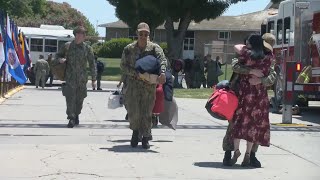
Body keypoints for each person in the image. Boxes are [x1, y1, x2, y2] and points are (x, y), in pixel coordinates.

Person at [222, 33, 277, 168]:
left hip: (249, 93)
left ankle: (251, 155)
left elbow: (273, 76)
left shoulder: (264, 56)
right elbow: (236, 66)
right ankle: (228, 153)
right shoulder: (250, 54)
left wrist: (260, 79)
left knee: (254, 125)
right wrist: (251, 71)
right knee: (235, 124)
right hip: (240, 92)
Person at [120, 22, 167, 149]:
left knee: (147, 112)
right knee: (134, 112)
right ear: (137, 34)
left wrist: (162, 72)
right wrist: (135, 73)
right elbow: (123, 66)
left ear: (148, 34)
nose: (143, 36)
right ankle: (135, 133)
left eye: (145, 34)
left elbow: (162, 59)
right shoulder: (129, 49)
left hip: (148, 87)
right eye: (141, 33)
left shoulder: (154, 48)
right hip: (133, 86)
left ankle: (146, 137)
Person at [55, 26, 96, 128]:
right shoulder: (67, 46)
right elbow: (57, 56)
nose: (79, 36)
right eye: (77, 34)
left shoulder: (87, 48)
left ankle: (77, 114)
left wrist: (94, 78)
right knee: (70, 98)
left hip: (82, 79)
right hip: (70, 78)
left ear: (84, 36)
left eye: (81, 35)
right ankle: (71, 117)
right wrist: (60, 60)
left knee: (80, 99)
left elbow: (92, 63)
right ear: (75, 35)